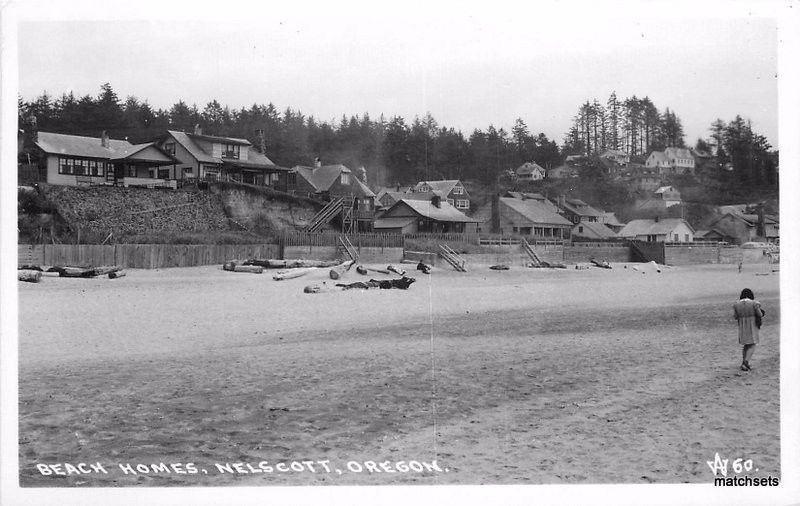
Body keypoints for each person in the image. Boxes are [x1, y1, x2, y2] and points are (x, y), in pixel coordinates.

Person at [733, 288, 765, 371]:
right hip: (752, 324)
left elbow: (735, 317)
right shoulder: (754, 303)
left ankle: (744, 362)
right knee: (752, 344)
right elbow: (760, 314)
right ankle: (746, 362)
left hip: (742, 325)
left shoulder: (736, 304)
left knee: (746, 345)